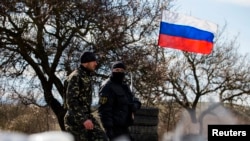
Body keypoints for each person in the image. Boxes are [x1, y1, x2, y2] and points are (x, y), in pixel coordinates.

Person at [64, 51, 108, 141]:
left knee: (102, 138)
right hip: (75, 120)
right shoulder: (76, 76)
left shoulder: (86, 76)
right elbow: (71, 101)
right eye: (94, 61)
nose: (96, 63)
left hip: (87, 117)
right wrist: (83, 119)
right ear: (86, 62)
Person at [98, 61, 141, 141]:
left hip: (124, 127)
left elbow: (132, 101)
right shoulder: (107, 86)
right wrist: (109, 130)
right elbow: (104, 110)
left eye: (121, 71)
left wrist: (135, 105)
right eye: (117, 70)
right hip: (114, 128)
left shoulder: (124, 87)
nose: (119, 72)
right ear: (112, 71)